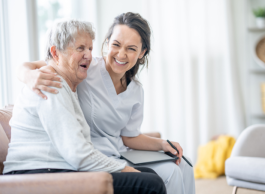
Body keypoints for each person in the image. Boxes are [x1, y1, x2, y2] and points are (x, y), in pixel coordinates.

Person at [18, 13, 195, 194]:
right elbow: (50, 62)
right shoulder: (84, 69)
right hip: (90, 157)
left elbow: (129, 136)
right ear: (107, 43)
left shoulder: (135, 90)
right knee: (165, 175)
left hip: (118, 154)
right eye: (116, 45)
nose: (121, 54)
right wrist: (27, 74)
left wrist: (162, 144)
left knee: (184, 167)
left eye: (131, 48)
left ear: (142, 53)